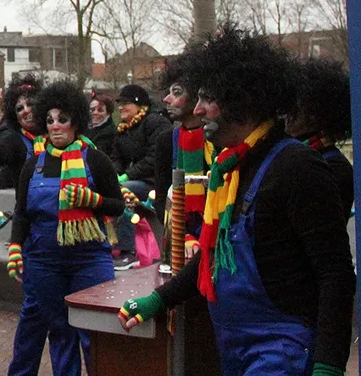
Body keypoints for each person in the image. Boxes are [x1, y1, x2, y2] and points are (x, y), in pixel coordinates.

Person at [119, 26, 356, 376]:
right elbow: (212, 257)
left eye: (207, 99)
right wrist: (160, 299)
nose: (197, 110)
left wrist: (329, 364)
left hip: (284, 351)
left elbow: (335, 273)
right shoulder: (229, 169)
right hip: (234, 347)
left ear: (242, 100)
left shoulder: (296, 166)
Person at [7, 81, 124, 376]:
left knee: (96, 335)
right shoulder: (34, 164)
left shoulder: (95, 159)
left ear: (76, 122)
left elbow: (117, 206)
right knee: (60, 331)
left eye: (63, 119)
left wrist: (92, 200)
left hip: (89, 259)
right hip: (44, 260)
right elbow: (22, 212)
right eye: (49, 120)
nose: (55, 126)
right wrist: (15, 247)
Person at [153, 55, 213, 259]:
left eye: (176, 93)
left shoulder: (219, 141)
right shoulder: (166, 141)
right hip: (182, 241)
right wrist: (184, 236)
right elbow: (162, 200)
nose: (167, 99)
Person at [110, 83, 170, 269]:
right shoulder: (123, 129)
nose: (121, 108)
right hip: (135, 179)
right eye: (119, 104)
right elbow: (116, 158)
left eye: (125, 103)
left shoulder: (155, 123)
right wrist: (114, 174)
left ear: (139, 105)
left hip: (154, 182)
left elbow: (154, 159)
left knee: (124, 192)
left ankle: (128, 251)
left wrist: (127, 176)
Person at [286, 58, 353, 223]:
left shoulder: (335, 167)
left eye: (297, 105)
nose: (287, 112)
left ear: (315, 114)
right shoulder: (287, 149)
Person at [0, 76, 40, 199]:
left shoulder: (53, 133)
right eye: (19, 108)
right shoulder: (13, 137)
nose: (26, 110)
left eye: (30, 104)